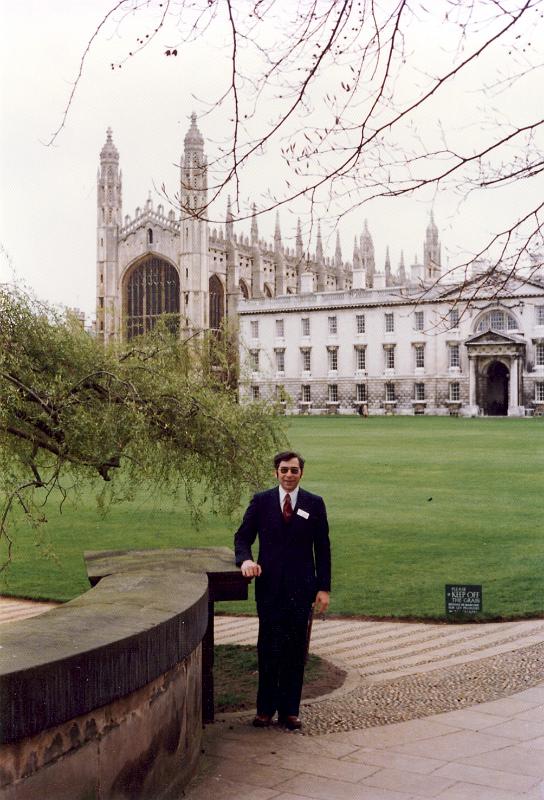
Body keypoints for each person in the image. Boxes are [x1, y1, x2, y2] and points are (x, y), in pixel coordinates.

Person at [234, 450, 331, 730]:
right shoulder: (262, 501)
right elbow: (242, 538)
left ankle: (290, 711)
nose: (289, 475)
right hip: (270, 588)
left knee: (295, 649)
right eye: (284, 470)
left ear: (302, 473)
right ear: (276, 472)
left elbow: (322, 548)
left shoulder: (314, 503)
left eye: (294, 470)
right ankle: (265, 709)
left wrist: (323, 588)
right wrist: (246, 560)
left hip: (301, 589)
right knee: (268, 648)